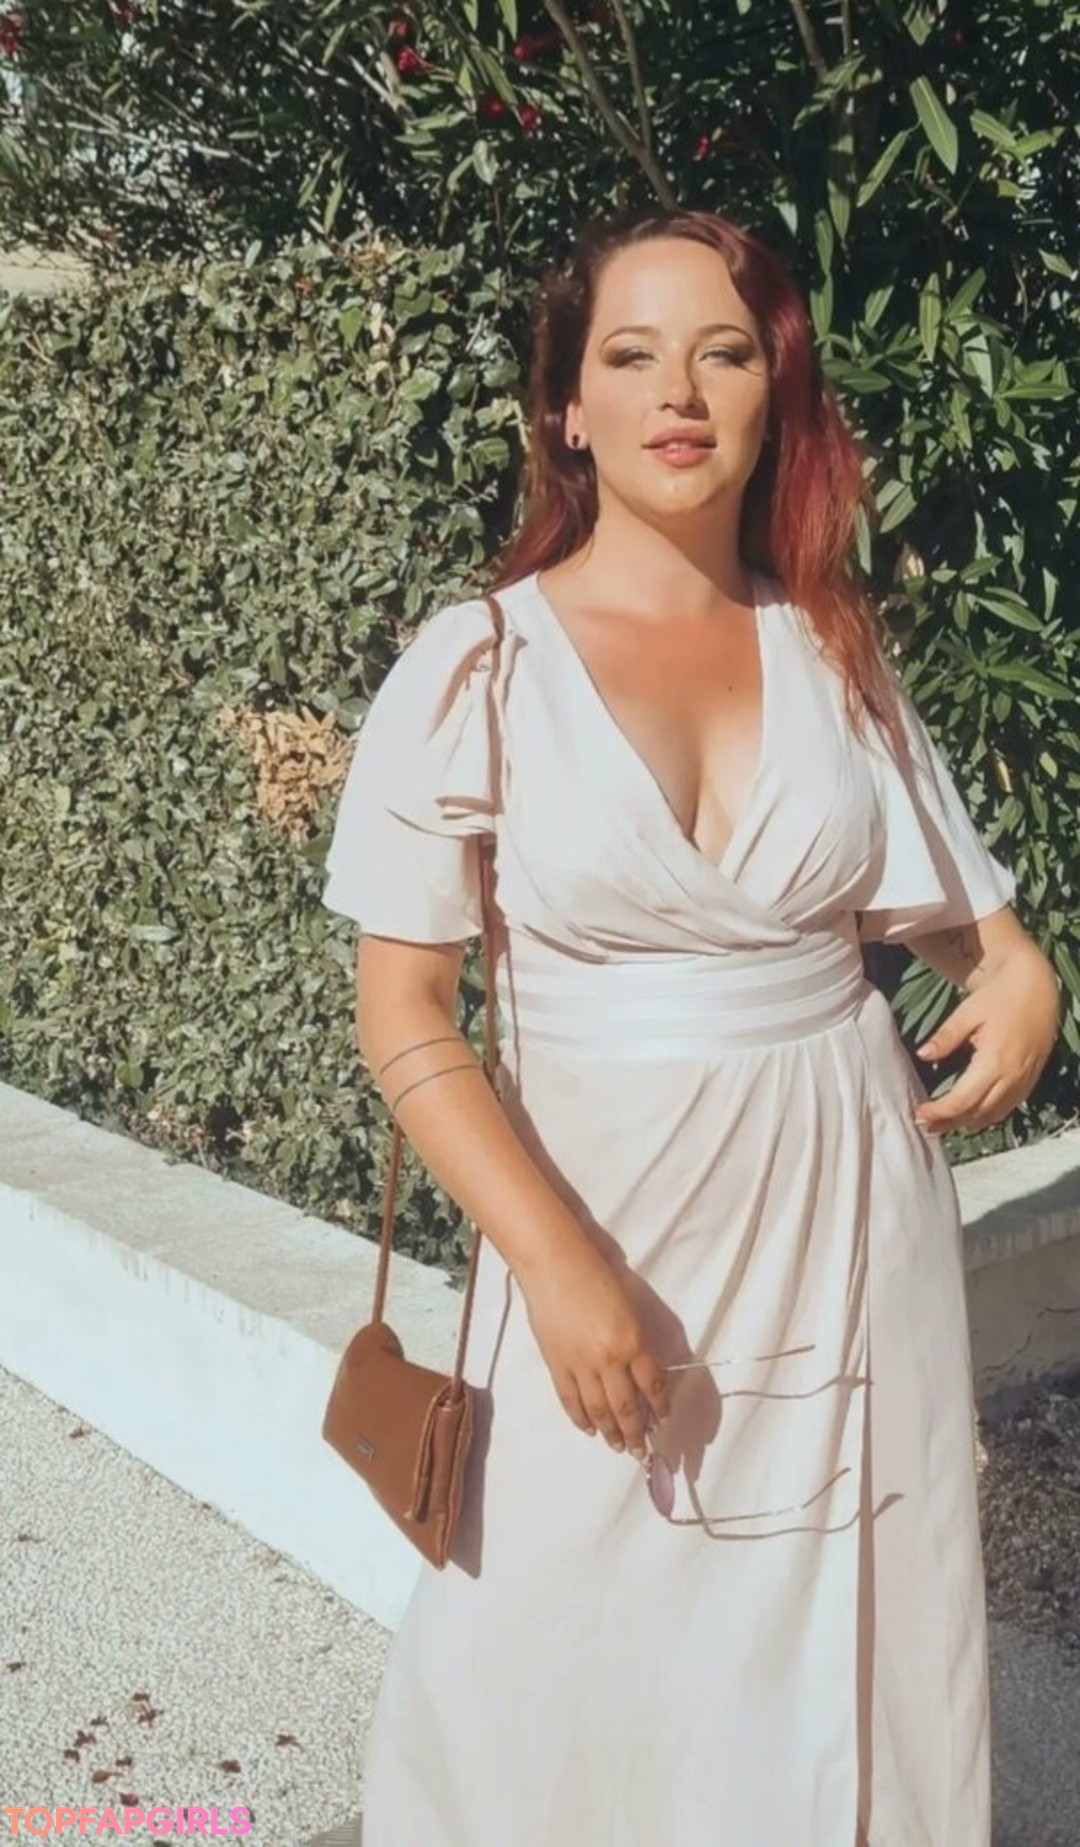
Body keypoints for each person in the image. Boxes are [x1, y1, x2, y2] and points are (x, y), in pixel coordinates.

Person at [320, 207, 1061, 1847]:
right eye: (632, 354)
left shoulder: (832, 648)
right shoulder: (476, 668)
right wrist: (555, 1268)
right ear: (567, 408)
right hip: (597, 1215)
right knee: (547, 1628)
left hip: (848, 1214)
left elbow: (946, 907)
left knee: (846, 1612)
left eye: (725, 353)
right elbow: (406, 1014)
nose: (680, 391)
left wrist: (1021, 972)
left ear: (773, 396)